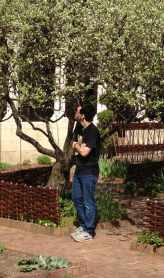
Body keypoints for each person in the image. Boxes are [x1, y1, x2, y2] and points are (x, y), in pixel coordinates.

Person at [70, 103, 100, 242]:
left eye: (77, 111)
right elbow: (74, 146)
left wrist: (77, 146)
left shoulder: (93, 132)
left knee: (88, 201)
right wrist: (78, 146)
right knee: (76, 198)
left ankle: (88, 230)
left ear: (82, 115)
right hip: (79, 170)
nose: (75, 112)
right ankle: (82, 225)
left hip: (89, 171)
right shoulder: (79, 129)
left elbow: (84, 152)